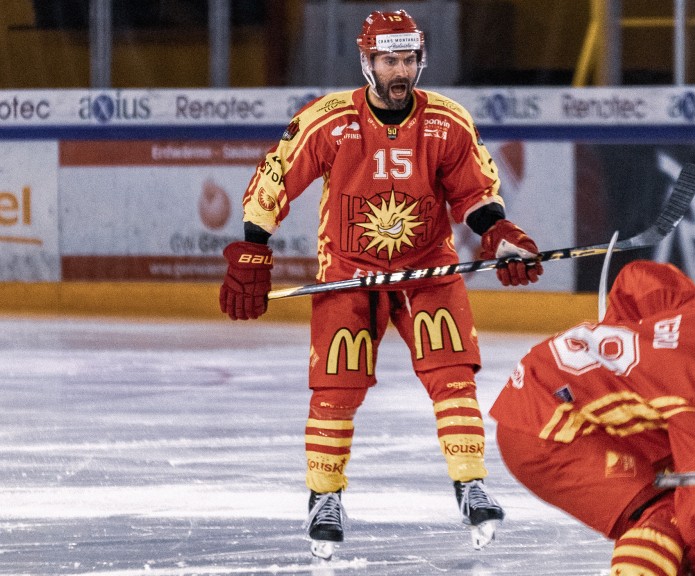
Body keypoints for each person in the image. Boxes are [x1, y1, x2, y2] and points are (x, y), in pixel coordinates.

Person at [218, 9, 543, 559]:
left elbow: (475, 194)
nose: (401, 71)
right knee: (336, 387)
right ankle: (324, 497)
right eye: (390, 60)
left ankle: (471, 485)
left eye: (409, 59)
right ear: (367, 62)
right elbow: (276, 175)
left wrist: (502, 238)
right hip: (349, 274)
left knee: (452, 373)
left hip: (427, 271)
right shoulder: (328, 121)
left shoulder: (448, 122)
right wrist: (254, 244)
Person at [490, 259, 695, 575]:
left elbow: (637, 278)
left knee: (674, 494)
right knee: (671, 520)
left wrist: (618, 358)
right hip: (545, 428)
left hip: (544, 386)